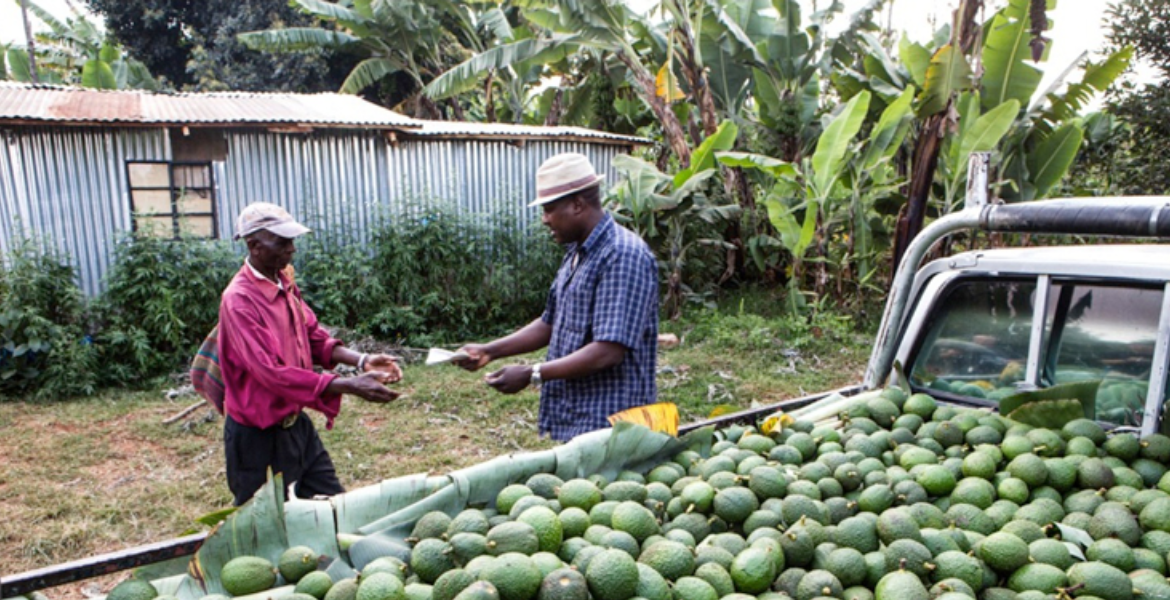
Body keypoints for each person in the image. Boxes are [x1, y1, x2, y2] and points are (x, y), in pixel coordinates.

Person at [455, 153, 659, 441]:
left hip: (613, 424)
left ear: (578, 204)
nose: (544, 219)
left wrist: (532, 373)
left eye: (550, 209)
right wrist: (489, 350)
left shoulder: (622, 255)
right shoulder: (578, 253)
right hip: (576, 415)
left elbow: (608, 351)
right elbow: (551, 322)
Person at [218, 202, 402, 506]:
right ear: (254, 246)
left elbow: (313, 337)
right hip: (257, 438)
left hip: (295, 426)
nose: (292, 249)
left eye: (292, 241)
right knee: (268, 529)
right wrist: (348, 385)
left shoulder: (283, 283)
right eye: (282, 241)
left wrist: (361, 361)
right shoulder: (239, 301)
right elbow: (271, 373)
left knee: (334, 507)